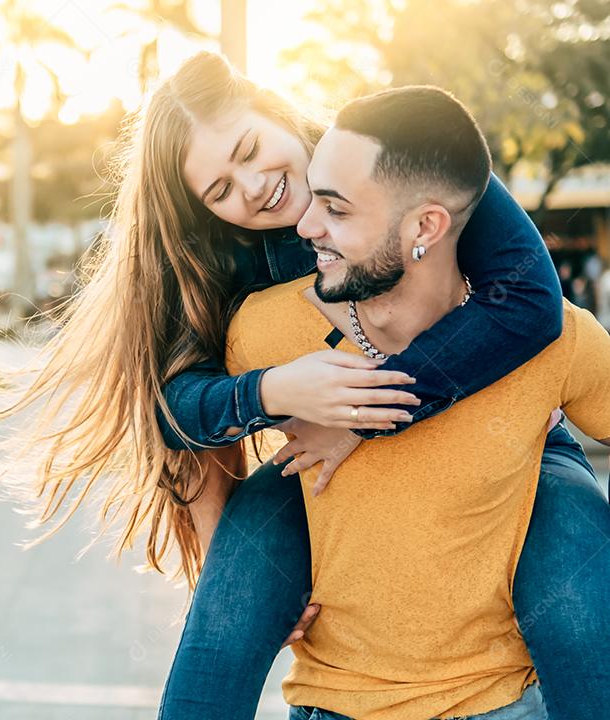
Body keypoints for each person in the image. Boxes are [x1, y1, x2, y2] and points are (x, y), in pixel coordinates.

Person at [0, 52, 606, 717]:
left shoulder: (391, 154)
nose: (252, 187)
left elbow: (529, 298)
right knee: (221, 630)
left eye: (248, 149)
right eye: (219, 191)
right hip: (311, 451)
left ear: (276, 109)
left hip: (502, 432)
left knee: (582, 616)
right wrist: (271, 393)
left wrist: (363, 413)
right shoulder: (216, 259)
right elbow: (173, 411)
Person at [220, 85, 610, 720]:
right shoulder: (263, 330)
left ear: (426, 226)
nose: (305, 226)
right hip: (330, 708)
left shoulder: (553, 340)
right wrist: (236, 578)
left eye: (336, 210)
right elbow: (188, 437)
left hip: (507, 706)